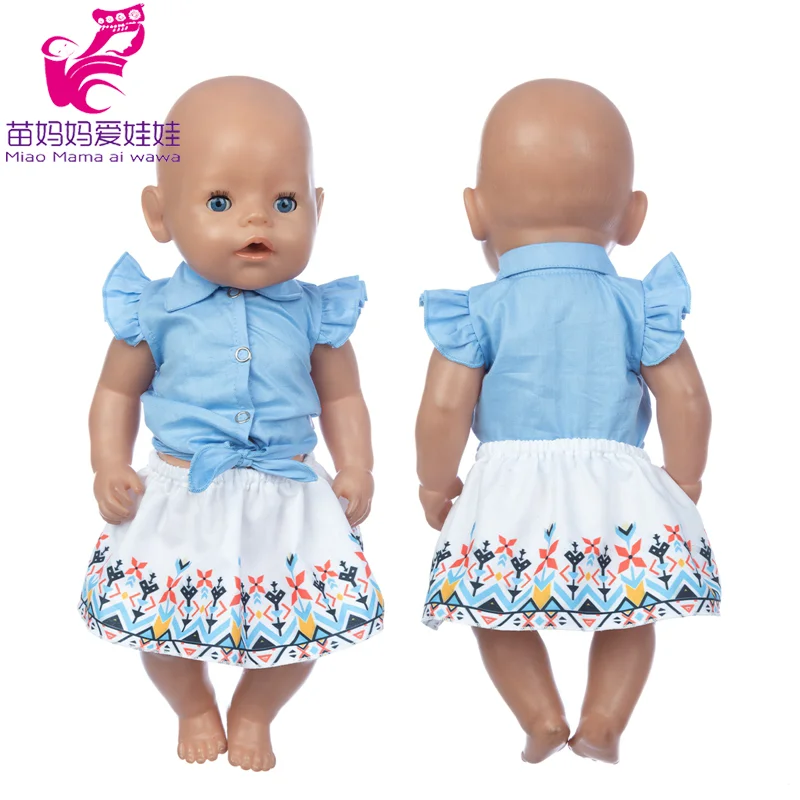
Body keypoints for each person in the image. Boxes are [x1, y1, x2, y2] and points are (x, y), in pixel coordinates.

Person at [79, 76, 383, 771]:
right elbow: (115, 392)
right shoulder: (152, 309)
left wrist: (358, 465)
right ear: (160, 215)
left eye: (285, 203)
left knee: (299, 627)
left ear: (318, 207)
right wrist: (108, 463)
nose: (257, 222)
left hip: (289, 495)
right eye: (220, 201)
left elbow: (343, 399)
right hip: (182, 489)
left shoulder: (317, 313)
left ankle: (254, 709)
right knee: (159, 626)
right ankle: (192, 703)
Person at [416, 79, 720, 764]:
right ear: (632, 216)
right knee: (633, 607)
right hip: (620, 482)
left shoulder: (478, 310)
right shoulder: (640, 304)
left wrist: (435, 483)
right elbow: (687, 399)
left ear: (476, 210)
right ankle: (605, 717)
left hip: (507, 485)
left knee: (491, 609)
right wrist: (685, 479)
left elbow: (443, 408)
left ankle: (541, 714)